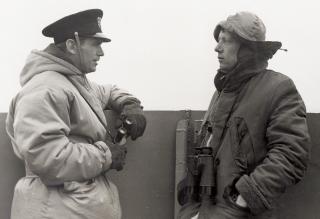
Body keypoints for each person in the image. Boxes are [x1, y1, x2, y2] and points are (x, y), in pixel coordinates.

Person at [6, 9, 146, 219]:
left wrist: (130, 104)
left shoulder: (75, 84)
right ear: (72, 45)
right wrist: (105, 154)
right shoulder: (45, 88)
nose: (101, 53)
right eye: (95, 45)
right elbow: (48, 158)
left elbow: (108, 91)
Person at [178, 11, 310, 219]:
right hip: (202, 212)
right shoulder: (221, 91)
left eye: (226, 41)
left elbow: (291, 154)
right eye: (218, 40)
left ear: (247, 50)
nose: (217, 47)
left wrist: (244, 198)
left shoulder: (279, 88)